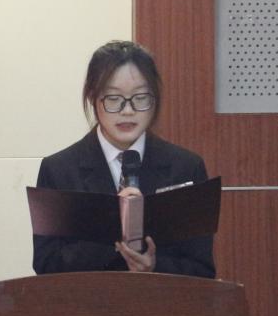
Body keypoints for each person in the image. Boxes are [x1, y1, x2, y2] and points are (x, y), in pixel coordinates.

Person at [33, 40, 215, 278]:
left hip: (161, 302)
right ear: (92, 97)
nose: (127, 110)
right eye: (113, 98)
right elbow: (47, 264)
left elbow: (202, 269)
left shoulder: (186, 168)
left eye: (140, 97)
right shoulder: (59, 170)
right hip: (88, 301)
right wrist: (115, 232)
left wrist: (153, 266)